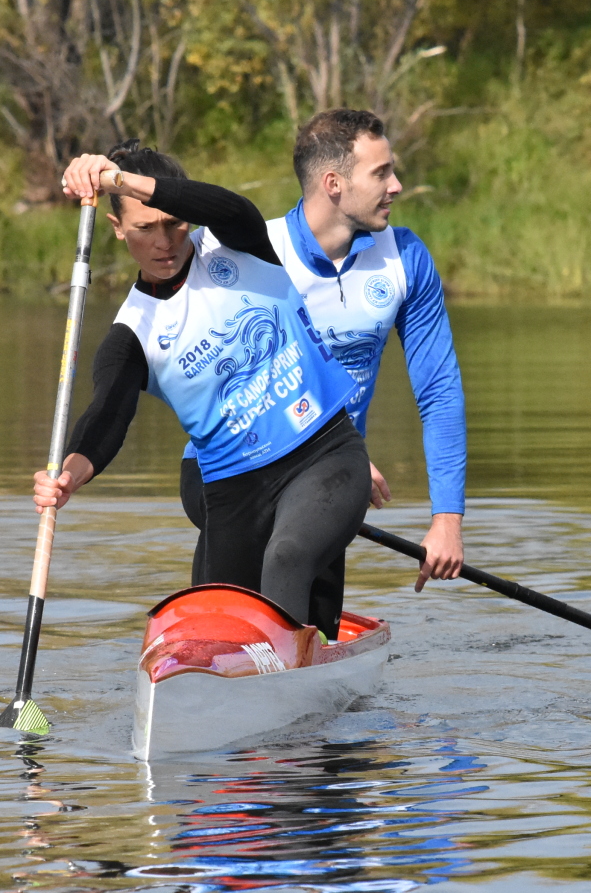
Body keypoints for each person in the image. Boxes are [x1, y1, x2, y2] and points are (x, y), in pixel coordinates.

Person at [29, 141, 370, 638]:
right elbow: (107, 416)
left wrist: (118, 180)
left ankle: (292, 662)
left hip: (324, 455)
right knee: (216, 627)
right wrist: (65, 478)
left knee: (288, 555)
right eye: (145, 228)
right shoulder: (133, 332)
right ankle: (294, 645)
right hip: (234, 492)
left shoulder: (237, 241)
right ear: (117, 227)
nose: (163, 242)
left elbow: (229, 206)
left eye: (174, 223)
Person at [181, 109, 467, 610]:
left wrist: (446, 520)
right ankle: (228, 636)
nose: (397, 185)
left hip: (330, 477)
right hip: (231, 465)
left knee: (293, 552)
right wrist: (112, 174)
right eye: (381, 173)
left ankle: (284, 647)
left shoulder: (405, 258)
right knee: (276, 559)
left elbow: (439, 391)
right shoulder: (246, 250)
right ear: (334, 183)